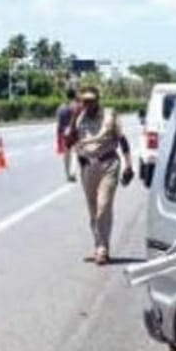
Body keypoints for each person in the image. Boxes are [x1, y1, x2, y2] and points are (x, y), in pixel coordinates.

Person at [63, 86, 134, 265]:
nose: (88, 104)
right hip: (88, 167)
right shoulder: (79, 118)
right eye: (84, 101)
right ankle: (99, 245)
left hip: (108, 165)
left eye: (91, 101)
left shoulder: (110, 116)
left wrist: (129, 165)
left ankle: (102, 248)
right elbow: (68, 142)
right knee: (93, 210)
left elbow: (122, 141)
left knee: (104, 205)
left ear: (98, 100)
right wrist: (73, 119)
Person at [56, 88, 78, 182]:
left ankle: (67, 174)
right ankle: (73, 172)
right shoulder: (76, 107)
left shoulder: (61, 107)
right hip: (74, 133)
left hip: (63, 134)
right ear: (75, 95)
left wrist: (59, 134)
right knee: (75, 153)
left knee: (66, 155)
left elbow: (59, 123)